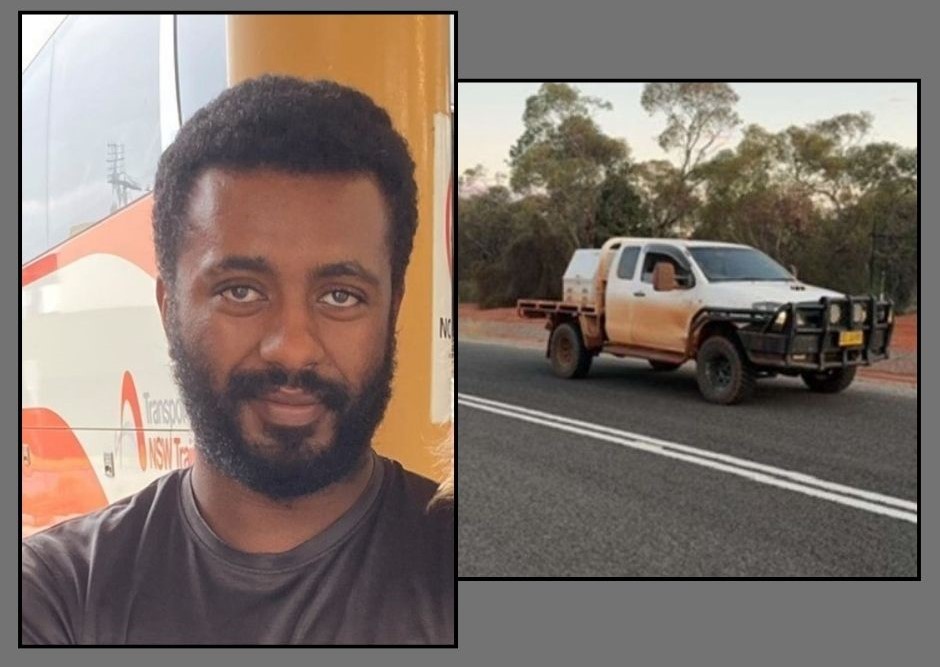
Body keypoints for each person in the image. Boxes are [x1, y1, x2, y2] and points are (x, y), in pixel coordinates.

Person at [21, 75, 454, 645]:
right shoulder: (57, 593)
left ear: (392, 309)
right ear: (168, 305)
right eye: (241, 291)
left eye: (340, 296)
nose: (293, 346)